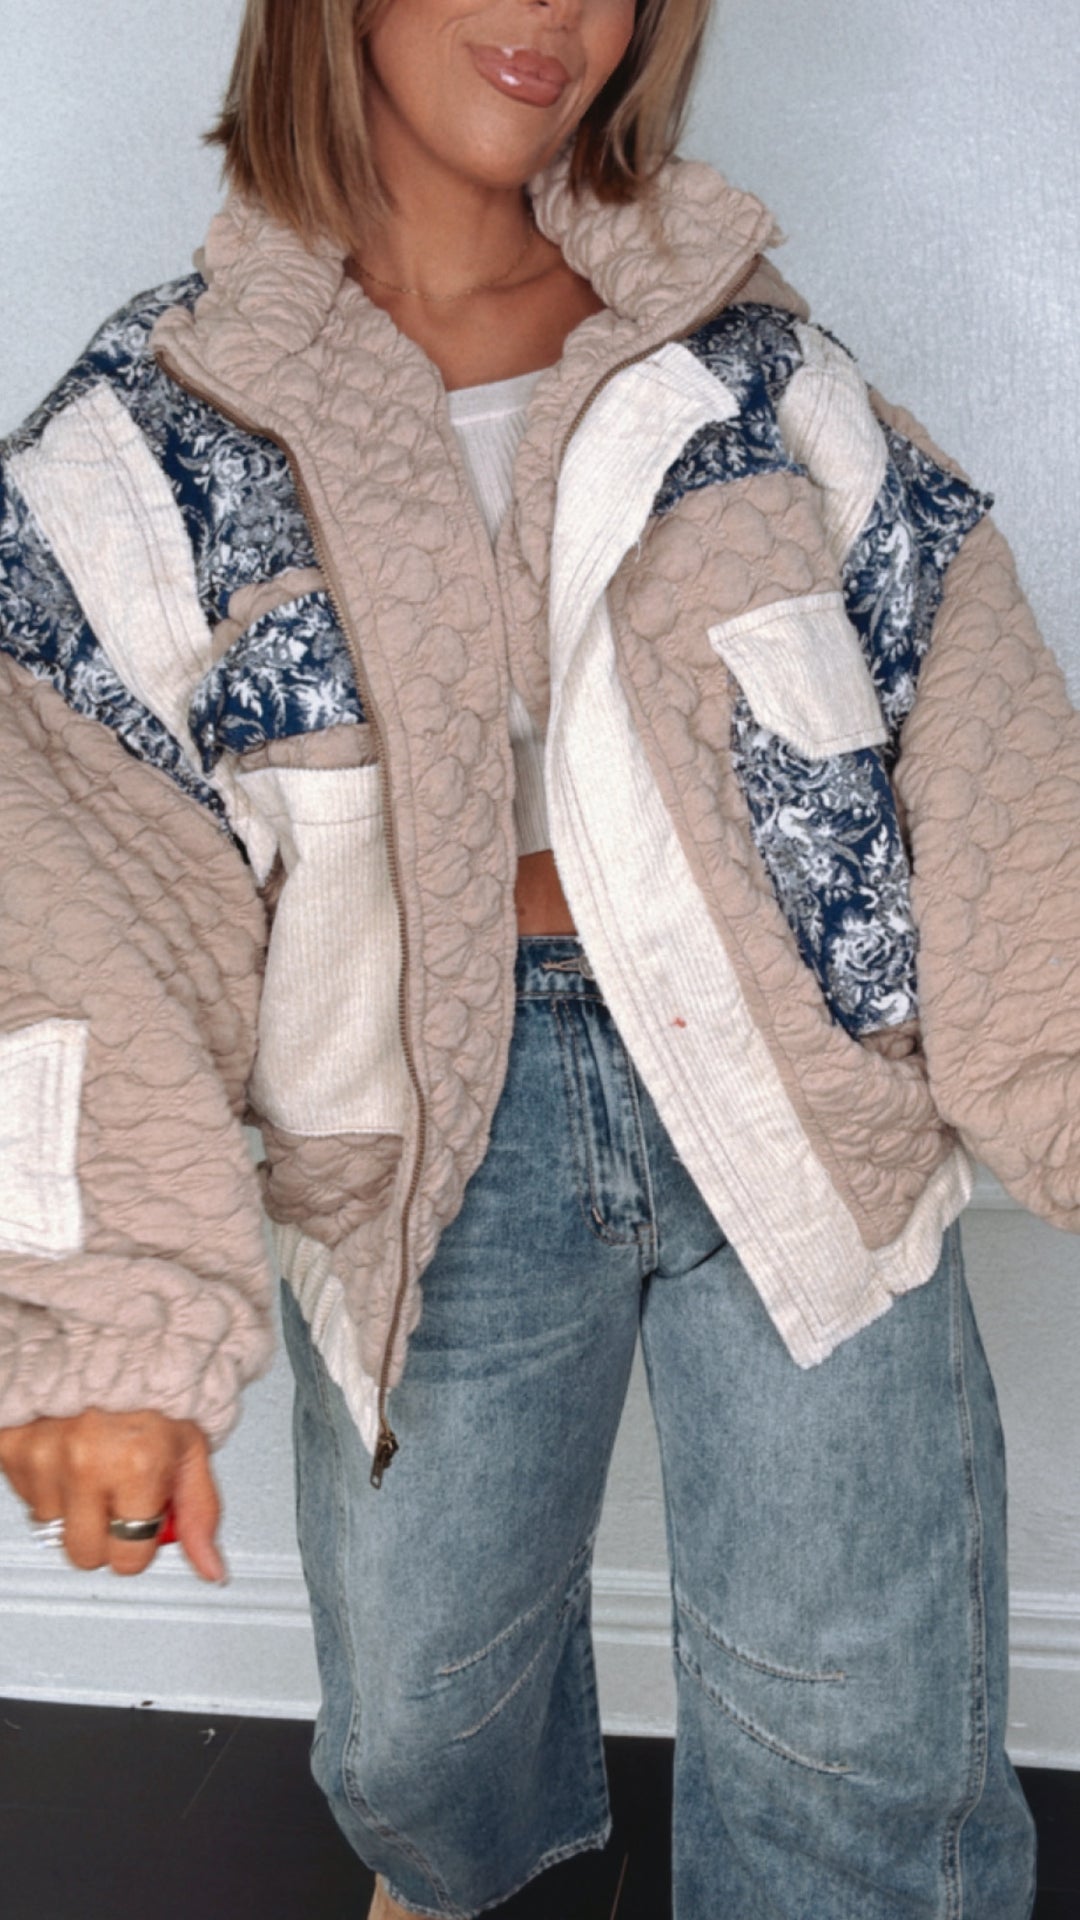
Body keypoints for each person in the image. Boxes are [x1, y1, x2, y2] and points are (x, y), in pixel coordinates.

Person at [2, 0, 1072, 1911]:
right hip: (425, 1145)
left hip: (794, 1100)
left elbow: (973, 716)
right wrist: (110, 1317)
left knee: (860, 1742)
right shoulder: (153, 432)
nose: (563, 10)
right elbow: (75, 878)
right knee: (417, 1732)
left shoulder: (740, 360)